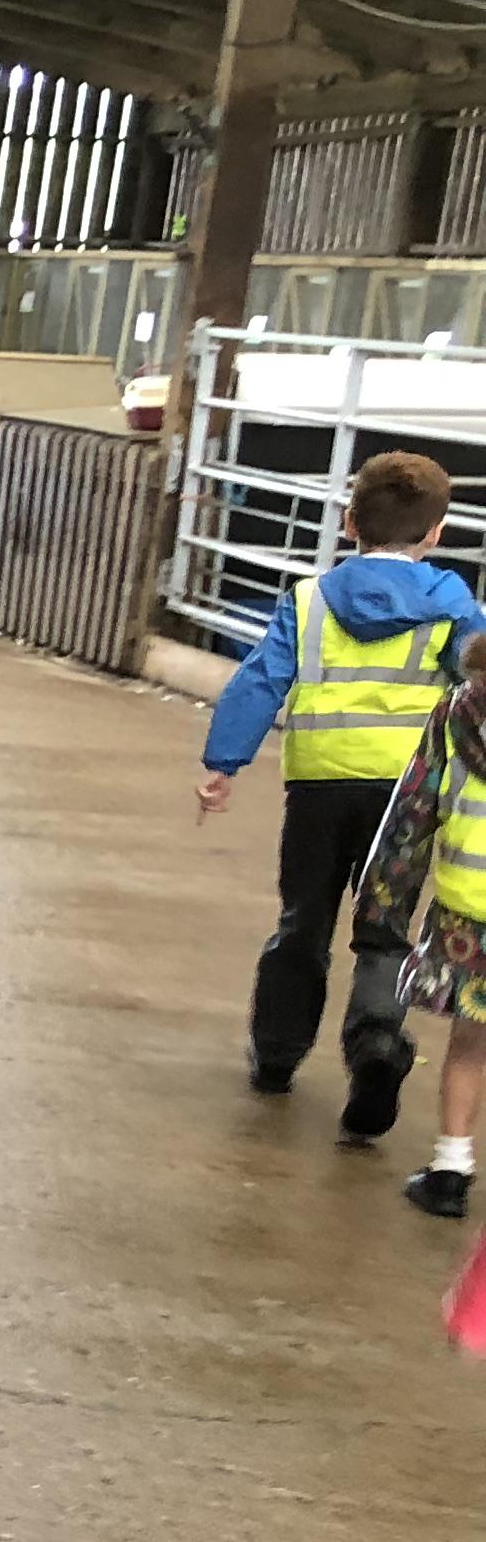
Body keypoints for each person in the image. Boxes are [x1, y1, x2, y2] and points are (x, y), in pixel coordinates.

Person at [198, 450, 477, 1143]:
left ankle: (277, 1054)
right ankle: (377, 1043)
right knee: (385, 928)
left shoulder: (309, 599)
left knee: (303, 918)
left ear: (349, 522)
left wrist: (222, 763)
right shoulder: (453, 604)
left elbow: (261, 679)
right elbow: (477, 690)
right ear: (436, 532)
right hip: (407, 800)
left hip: (319, 787)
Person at [356, 630, 486, 1220]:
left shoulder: (458, 713)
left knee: (470, 1043)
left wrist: (384, 899)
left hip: (468, 908)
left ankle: (450, 1171)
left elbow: (414, 809)